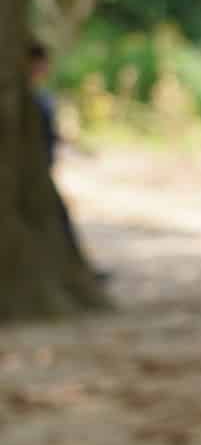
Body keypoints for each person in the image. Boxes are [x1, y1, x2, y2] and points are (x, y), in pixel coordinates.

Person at [28, 40, 105, 281]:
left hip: (42, 171)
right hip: (32, 176)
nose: (47, 69)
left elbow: (50, 135)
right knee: (56, 220)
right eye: (43, 64)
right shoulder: (32, 100)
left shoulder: (40, 98)